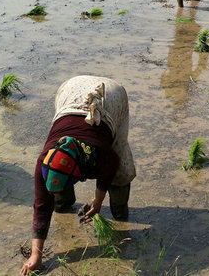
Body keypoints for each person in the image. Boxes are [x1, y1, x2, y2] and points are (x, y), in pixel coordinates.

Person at [21, 75, 136, 275]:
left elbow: (110, 168)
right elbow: (41, 207)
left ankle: (120, 213)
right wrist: (36, 255)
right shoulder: (43, 163)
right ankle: (63, 204)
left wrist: (98, 201)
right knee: (55, 199)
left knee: (120, 174)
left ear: (79, 172)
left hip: (110, 97)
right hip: (71, 92)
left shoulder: (100, 155)